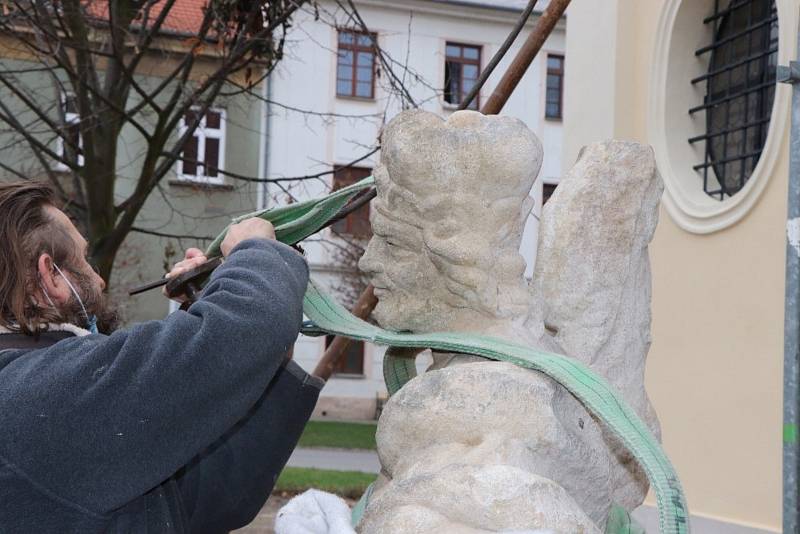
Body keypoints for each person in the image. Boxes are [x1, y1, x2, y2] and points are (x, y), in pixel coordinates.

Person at [0, 181, 323, 533]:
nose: (100, 280)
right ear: (51, 276)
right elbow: (250, 325)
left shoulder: (35, 392)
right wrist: (255, 251)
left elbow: (210, 500)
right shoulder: (36, 392)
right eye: (84, 260)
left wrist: (209, 300)